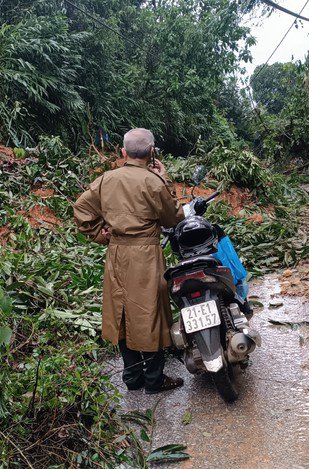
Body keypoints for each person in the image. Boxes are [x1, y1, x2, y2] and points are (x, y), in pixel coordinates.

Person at [73, 128, 186, 394]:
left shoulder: (106, 179)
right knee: (150, 314)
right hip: (146, 254)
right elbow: (173, 218)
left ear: (123, 152)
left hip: (117, 253)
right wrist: (165, 180)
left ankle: (132, 377)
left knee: (121, 313)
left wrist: (100, 235)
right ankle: (154, 379)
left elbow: (81, 208)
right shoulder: (153, 182)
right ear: (151, 153)